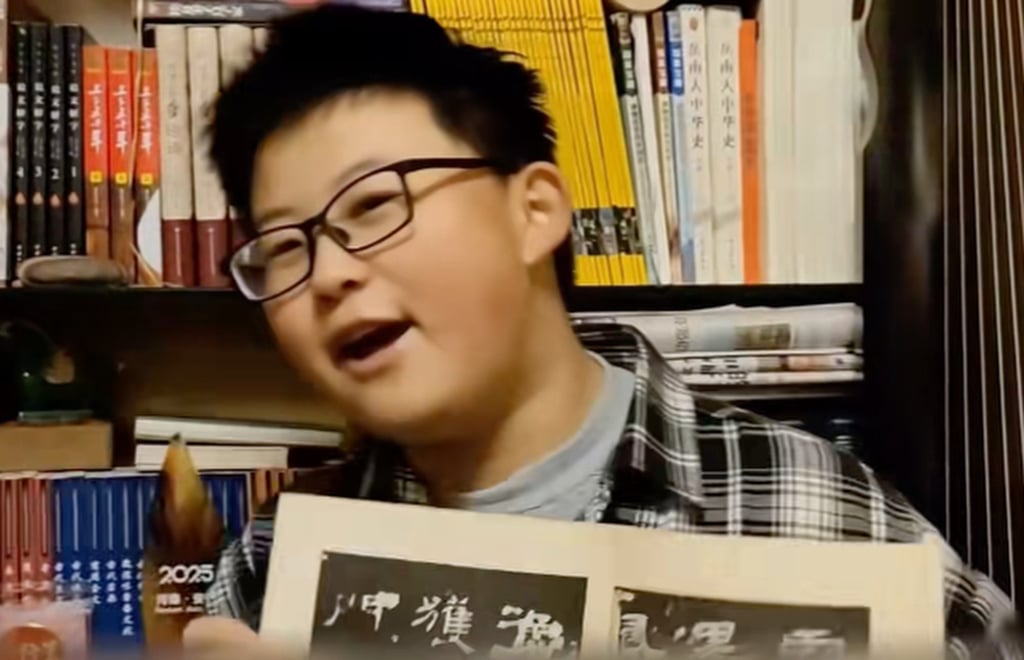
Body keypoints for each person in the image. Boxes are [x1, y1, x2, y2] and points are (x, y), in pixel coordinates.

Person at [183, 4, 1018, 657]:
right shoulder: (270, 572)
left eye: (373, 204)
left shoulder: (814, 510)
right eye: (283, 247)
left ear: (534, 209)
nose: (328, 275)